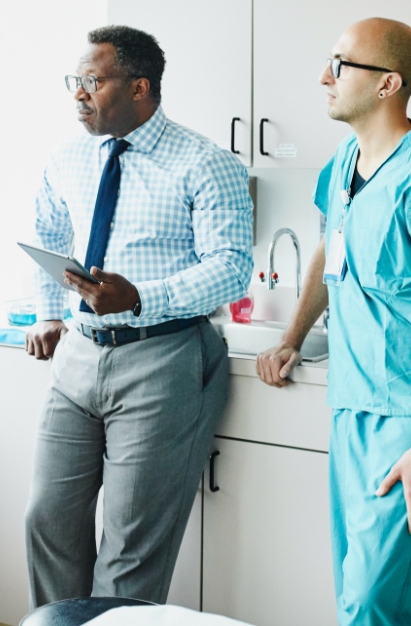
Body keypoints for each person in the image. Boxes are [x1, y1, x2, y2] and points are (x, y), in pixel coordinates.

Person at [24, 25, 253, 606]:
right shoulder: (67, 157)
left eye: (92, 82)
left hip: (163, 355)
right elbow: (48, 232)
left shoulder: (206, 162)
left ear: (140, 87)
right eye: (74, 81)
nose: (78, 93)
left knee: (130, 551)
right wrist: (51, 313)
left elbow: (230, 268)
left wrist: (140, 298)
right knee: (47, 524)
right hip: (78, 355)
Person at [256, 17, 411, 625]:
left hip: (402, 419)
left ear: (387, 85)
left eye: (342, 65)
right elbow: (330, 249)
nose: (325, 76)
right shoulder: (345, 161)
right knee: (359, 586)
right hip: (351, 410)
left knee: (370, 600)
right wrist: (290, 338)